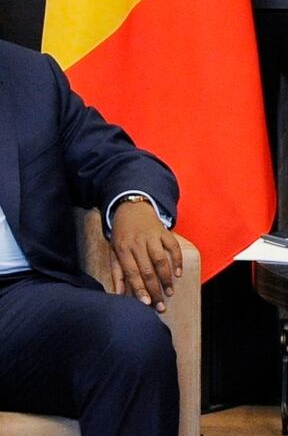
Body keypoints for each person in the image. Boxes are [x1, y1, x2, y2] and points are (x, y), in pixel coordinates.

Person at [0, 38, 182, 434]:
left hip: (19, 304)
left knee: (130, 336)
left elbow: (117, 159)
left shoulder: (30, 77)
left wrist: (133, 204)